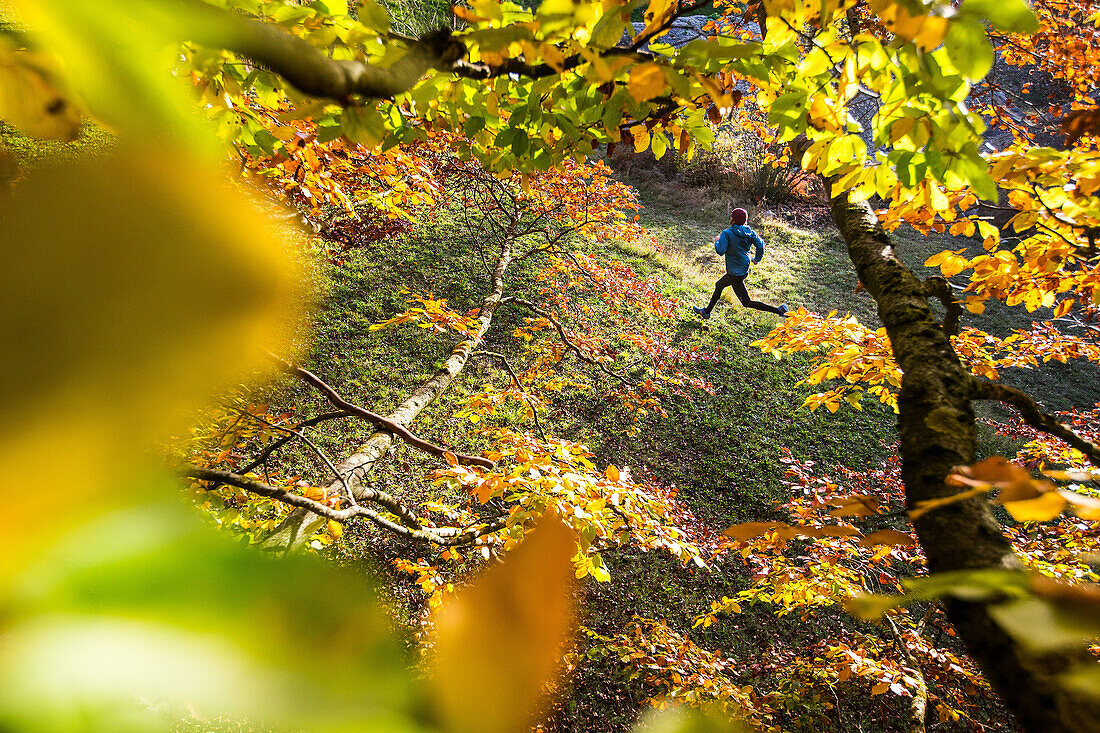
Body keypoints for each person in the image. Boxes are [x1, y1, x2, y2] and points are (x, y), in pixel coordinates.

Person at [693, 207, 789, 319]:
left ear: (733, 219)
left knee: (719, 285)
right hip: (743, 269)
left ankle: (706, 312)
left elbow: (720, 251)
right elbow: (761, 245)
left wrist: (717, 241)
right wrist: (756, 259)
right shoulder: (750, 232)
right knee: (746, 302)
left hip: (734, 272)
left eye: (731, 216)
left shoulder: (727, 233)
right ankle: (779, 311)